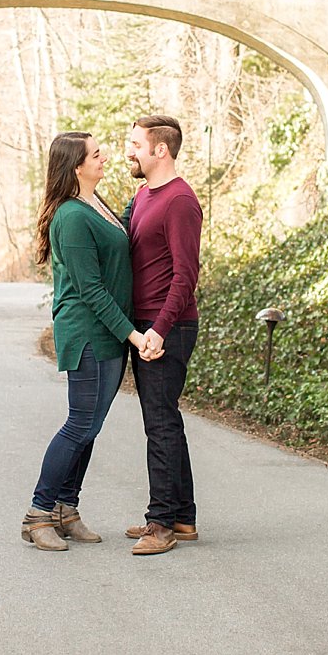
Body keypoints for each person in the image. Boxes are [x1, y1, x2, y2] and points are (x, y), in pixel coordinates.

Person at [22, 131, 152, 551]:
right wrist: (132, 334)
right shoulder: (71, 216)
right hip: (89, 334)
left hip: (108, 334)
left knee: (90, 428)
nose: (105, 157)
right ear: (76, 166)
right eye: (97, 154)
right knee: (79, 424)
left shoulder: (94, 203)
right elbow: (91, 289)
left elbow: (122, 235)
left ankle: (66, 508)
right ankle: (38, 514)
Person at [121, 115, 203, 556]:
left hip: (168, 327)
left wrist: (159, 329)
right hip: (148, 327)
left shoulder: (180, 201)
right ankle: (183, 517)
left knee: (160, 425)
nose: (128, 151)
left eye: (135, 144)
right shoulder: (144, 195)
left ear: (161, 150)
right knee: (165, 420)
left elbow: (186, 276)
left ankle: (161, 523)